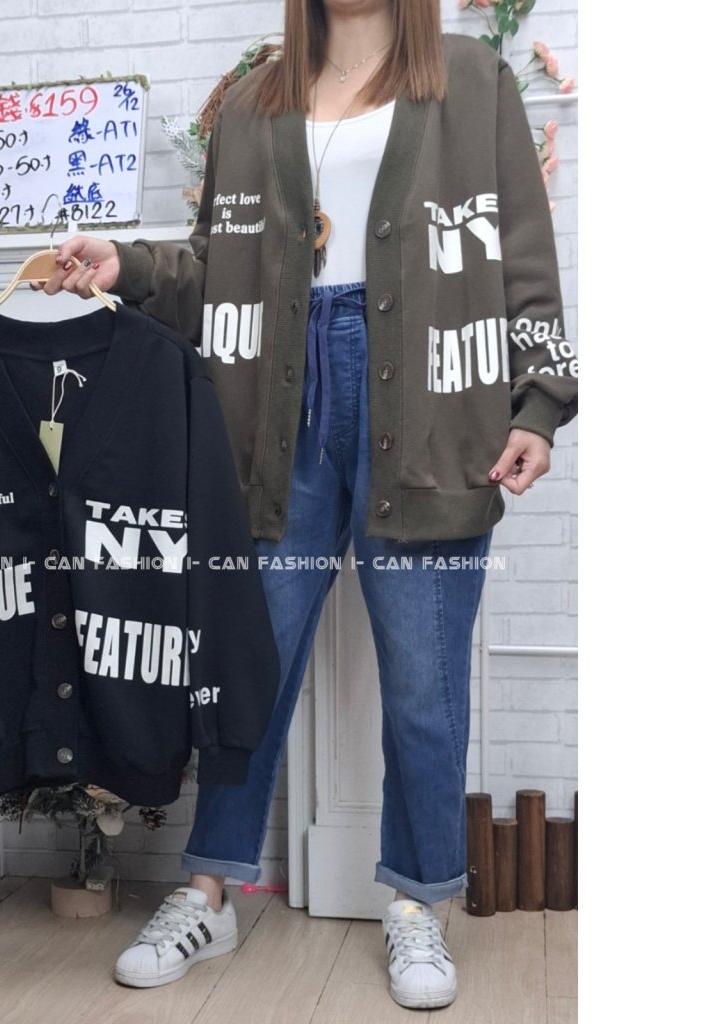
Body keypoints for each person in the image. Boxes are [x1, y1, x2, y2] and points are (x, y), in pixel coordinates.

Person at [38, 0, 577, 1010]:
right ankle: (209, 890)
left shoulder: (472, 79)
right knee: (248, 666)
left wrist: (539, 404)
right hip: (277, 403)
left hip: (430, 397)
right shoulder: (254, 103)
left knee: (422, 682)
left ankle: (417, 900)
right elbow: (221, 269)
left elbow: (523, 253)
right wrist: (133, 265)